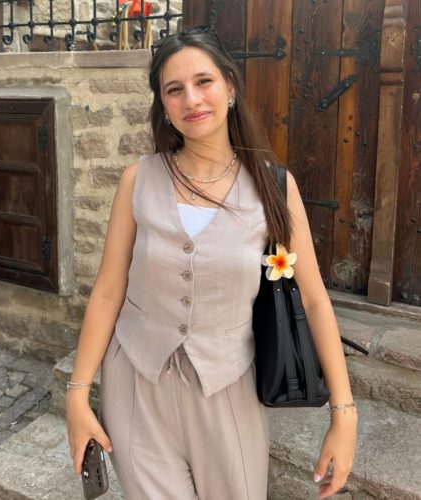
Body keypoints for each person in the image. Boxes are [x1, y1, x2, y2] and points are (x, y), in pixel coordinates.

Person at [66, 26, 358, 500]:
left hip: (229, 390)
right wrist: (77, 395)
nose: (191, 99)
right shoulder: (138, 180)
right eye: (174, 89)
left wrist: (344, 415)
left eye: (204, 81)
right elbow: (108, 290)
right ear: (163, 104)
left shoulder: (273, 187)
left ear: (230, 86)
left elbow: (313, 299)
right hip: (135, 385)